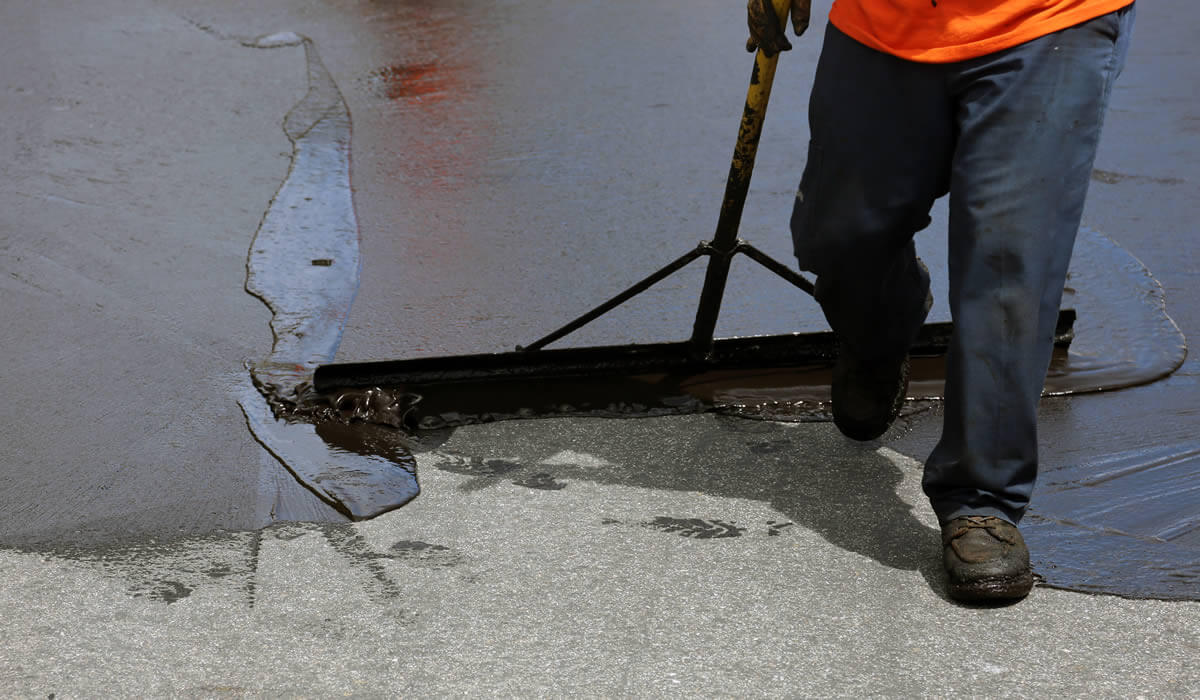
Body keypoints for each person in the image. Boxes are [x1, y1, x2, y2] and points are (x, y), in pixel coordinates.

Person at [747, 0, 1136, 602]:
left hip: (1046, 22)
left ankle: (982, 497)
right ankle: (880, 333)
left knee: (1008, 262)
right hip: (883, 20)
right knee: (841, 235)